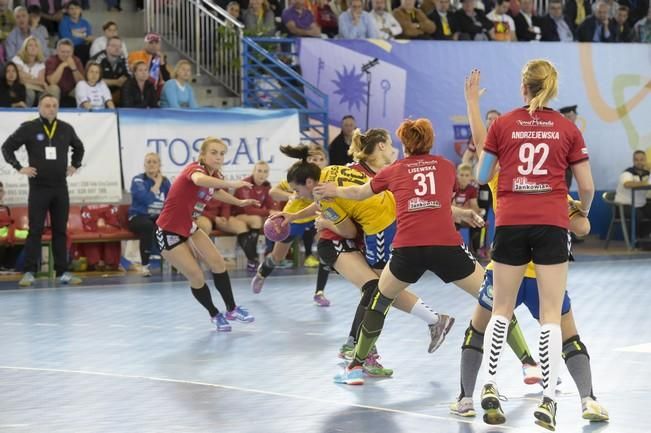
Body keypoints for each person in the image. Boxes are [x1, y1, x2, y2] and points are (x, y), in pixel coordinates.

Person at [450, 69, 608, 422]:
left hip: (509, 244)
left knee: (486, 322)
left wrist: (472, 103)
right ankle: (573, 399)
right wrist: (576, 210)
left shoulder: (500, 164)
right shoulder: (559, 166)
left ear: (523, 87)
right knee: (562, 327)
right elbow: (583, 222)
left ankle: (472, 394)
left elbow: (481, 154)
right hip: (546, 257)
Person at [314, 118, 486, 386]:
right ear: (381, 145)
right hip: (361, 239)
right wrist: (321, 214)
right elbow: (431, 200)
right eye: (389, 144)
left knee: (379, 296)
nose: (394, 147)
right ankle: (527, 363)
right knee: (491, 296)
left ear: (406, 144)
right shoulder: (441, 166)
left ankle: (357, 360)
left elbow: (415, 201)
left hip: (403, 244)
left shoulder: (394, 171)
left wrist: (462, 212)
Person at [155, 137, 257, 331]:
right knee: (196, 276)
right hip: (168, 230)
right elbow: (199, 180)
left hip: (189, 227)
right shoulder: (195, 169)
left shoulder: (214, 174)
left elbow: (215, 192)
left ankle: (232, 309)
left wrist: (240, 203)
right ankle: (214, 314)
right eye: (213, 152)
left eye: (221, 154)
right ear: (202, 155)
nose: (218, 157)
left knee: (218, 263)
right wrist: (233, 184)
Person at [2, 93, 85, 287]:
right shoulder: (29, 128)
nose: (51, 109)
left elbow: (79, 148)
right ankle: (30, 271)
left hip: (60, 187)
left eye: (54, 105)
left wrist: (75, 164)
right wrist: (19, 167)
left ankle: (63, 272)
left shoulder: (65, 128)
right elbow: (7, 147)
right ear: (39, 107)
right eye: (47, 105)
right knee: (36, 229)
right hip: (39, 187)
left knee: (60, 230)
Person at [251, 145, 328, 298]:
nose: (318, 162)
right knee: (277, 257)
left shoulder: (326, 177)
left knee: (325, 251)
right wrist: (292, 195)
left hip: (317, 217)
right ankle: (261, 274)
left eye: (321, 159)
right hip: (294, 218)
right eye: (314, 159)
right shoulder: (299, 176)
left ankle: (319, 292)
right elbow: (273, 192)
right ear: (307, 161)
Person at [128, 152, 171, 277]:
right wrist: (157, 184)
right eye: (149, 162)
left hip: (158, 217)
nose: (151, 164)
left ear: (159, 165)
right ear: (144, 165)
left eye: (154, 162)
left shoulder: (166, 182)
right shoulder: (138, 180)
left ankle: (174, 262)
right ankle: (145, 265)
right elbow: (145, 199)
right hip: (138, 217)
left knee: (170, 225)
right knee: (147, 226)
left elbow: (171, 200)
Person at [231, 161, 276, 271]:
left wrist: (274, 212)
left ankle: (261, 258)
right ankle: (253, 258)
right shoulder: (246, 184)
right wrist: (268, 212)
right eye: (259, 171)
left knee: (273, 221)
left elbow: (270, 206)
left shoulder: (266, 185)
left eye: (265, 171)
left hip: (253, 216)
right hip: (237, 215)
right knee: (256, 220)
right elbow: (248, 209)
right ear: (253, 172)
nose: (262, 174)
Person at [614, 150, 651, 240]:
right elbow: (627, 184)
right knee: (638, 215)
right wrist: (646, 183)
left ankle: (645, 237)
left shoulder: (647, 174)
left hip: (641, 205)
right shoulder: (627, 173)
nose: (639, 162)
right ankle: (634, 240)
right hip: (624, 206)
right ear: (633, 161)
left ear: (645, 161)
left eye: (642, 160)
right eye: (636, 160)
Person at [45, 38, 84, 107]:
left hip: (71, 91)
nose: (66, 54)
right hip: (56, 91)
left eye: (68, 52)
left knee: (82, 87)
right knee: (54, 88)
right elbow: (52, 82)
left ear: (72, 52)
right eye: (63, 52)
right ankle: (52, 110)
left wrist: (74, 68)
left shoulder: (76, 60)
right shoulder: (51, 60)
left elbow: (81, 82)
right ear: (57, 51)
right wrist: (62, 66)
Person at [89, 35, 129, 101]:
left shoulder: (123, 59)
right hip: (98, 91)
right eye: (114, 46)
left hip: (115, 91)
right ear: (107, 47)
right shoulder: (98, 59)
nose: (117, 48)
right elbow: (92, 80)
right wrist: (115, 82)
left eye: (119, 46)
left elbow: (127, 77)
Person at [12, 35, 46, 107]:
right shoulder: (17, 59)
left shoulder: (41, 64)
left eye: (36, 46)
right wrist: (34, 78)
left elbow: (41, 81)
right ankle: (25, 113)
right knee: (30, 93)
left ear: (38, 49)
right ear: (25, 48)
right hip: (19, 87)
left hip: (36, 89)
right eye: (30, 45)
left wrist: (27, 77)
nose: (33, 48)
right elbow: (20, 78)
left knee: (44, 96)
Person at [58, 1, 93, 65]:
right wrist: (84, 38)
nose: (75, 11)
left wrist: (89, 39)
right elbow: (67, 40)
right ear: (68, 11)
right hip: (70, 47)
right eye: (72, 9)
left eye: (77, 8)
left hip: (84, 47)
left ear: (80, 10)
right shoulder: (64, 22)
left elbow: (90, 37)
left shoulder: (85, 22)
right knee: (83, 49)